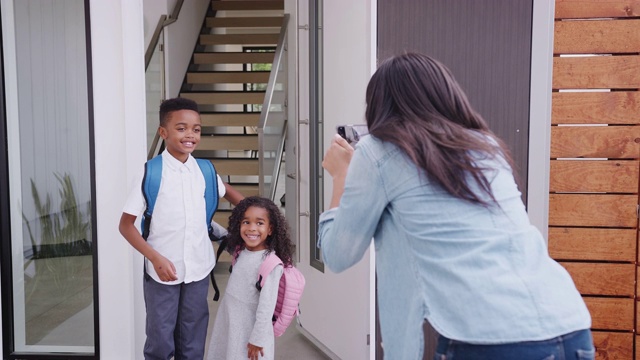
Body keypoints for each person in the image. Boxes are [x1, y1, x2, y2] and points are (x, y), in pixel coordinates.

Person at [319, 53, 594, 359]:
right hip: (568, 325)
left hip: (488, 339)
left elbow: (338, 254)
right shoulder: (484, 146)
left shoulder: (377, 152)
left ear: (380, 105)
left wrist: (342, 174)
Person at [119, 97, 244, 359]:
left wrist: (260, 215)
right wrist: (155, 257)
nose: (190, 135)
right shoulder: (150, 173)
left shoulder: (205, 171)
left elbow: (235, 197)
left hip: (198, 268)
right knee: (161, 339)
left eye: (196, 129)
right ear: (163, 132)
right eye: (181, 128)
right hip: (162, 272)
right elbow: (126, 226)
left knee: (193, 338)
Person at [207, 196, 294, 360]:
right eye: (246, 222)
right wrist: (202, 218)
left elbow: (266, 308)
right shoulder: (240, 251)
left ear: (270, 229)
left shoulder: (271, 264)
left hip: (251, 331)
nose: (252, 228)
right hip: (230, 322)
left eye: (259, 223)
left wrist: (258, 339)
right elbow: (220, 235)